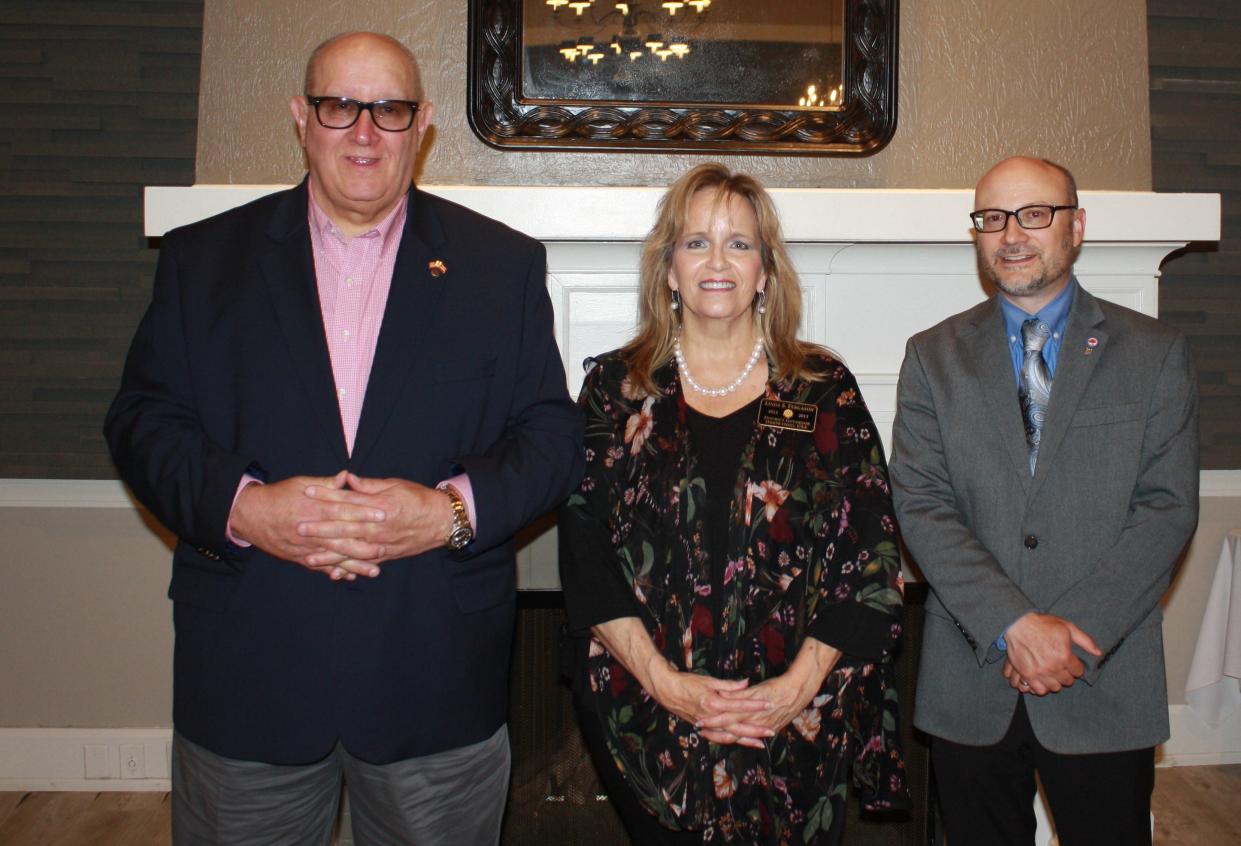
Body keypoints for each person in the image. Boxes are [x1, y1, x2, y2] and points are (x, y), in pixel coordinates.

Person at [104, 31, 583, 845]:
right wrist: (245, 509)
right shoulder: (202, 261)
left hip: (434, 679)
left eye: (389, 110)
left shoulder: (498, 266)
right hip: (251, 673)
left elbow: (550, 435)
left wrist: (448, 515)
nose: (364, 132)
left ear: (421, 124)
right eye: (339, 106)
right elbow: (142, 421)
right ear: (302, 117)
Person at [559, 163, 908, 845]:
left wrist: (794, 689)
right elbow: (583, 550)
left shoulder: (817, 389)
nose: (717, 261)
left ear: (765, 271)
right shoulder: (615, 390)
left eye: (739, 244)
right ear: (668, 269)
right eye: (695, 243)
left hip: (799, 715)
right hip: (646, 709)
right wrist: (666, 684)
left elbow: (873, 546)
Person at [889, 156, 1199, 845]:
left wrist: (1070, 637)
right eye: (991, 218)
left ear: (1075, 226)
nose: (1011, 235)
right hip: (970, 680)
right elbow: (920, 503)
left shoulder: (1154, 352)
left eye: (1034, 214)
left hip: (1101, 678)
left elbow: (1166, 508)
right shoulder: (930, 356)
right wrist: (1014, 625)